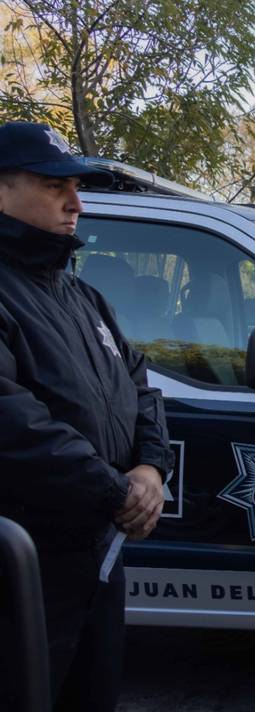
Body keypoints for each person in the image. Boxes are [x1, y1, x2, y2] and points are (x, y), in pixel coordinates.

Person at [0, 122, 171, 711]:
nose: (76, 204)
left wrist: (150, 468)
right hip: (23, 564)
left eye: (75, 187)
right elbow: (12, 422)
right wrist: (116, 491)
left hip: (98, 556)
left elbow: (140, 388)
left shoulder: (83, 298)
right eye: (55, 187)